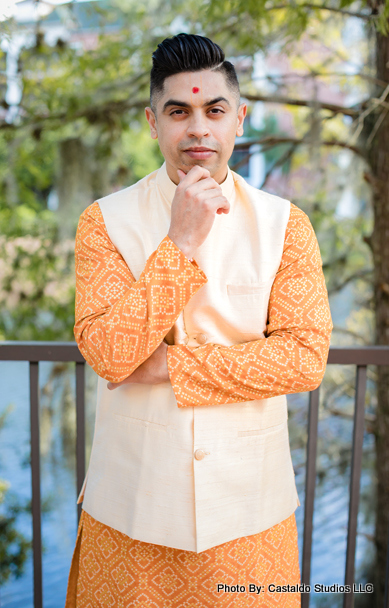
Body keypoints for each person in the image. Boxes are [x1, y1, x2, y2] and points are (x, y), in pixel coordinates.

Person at [65, 33, 333, 607]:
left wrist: (169, 367)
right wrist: (181, 241)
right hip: (131, 514)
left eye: (214, 110)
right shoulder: (103, 223)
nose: (198, 129)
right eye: (178, 111)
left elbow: (305, 358)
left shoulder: (287, 225)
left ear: (239, 118)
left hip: (250, 514)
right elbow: (111, 355)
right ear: (153, 122)